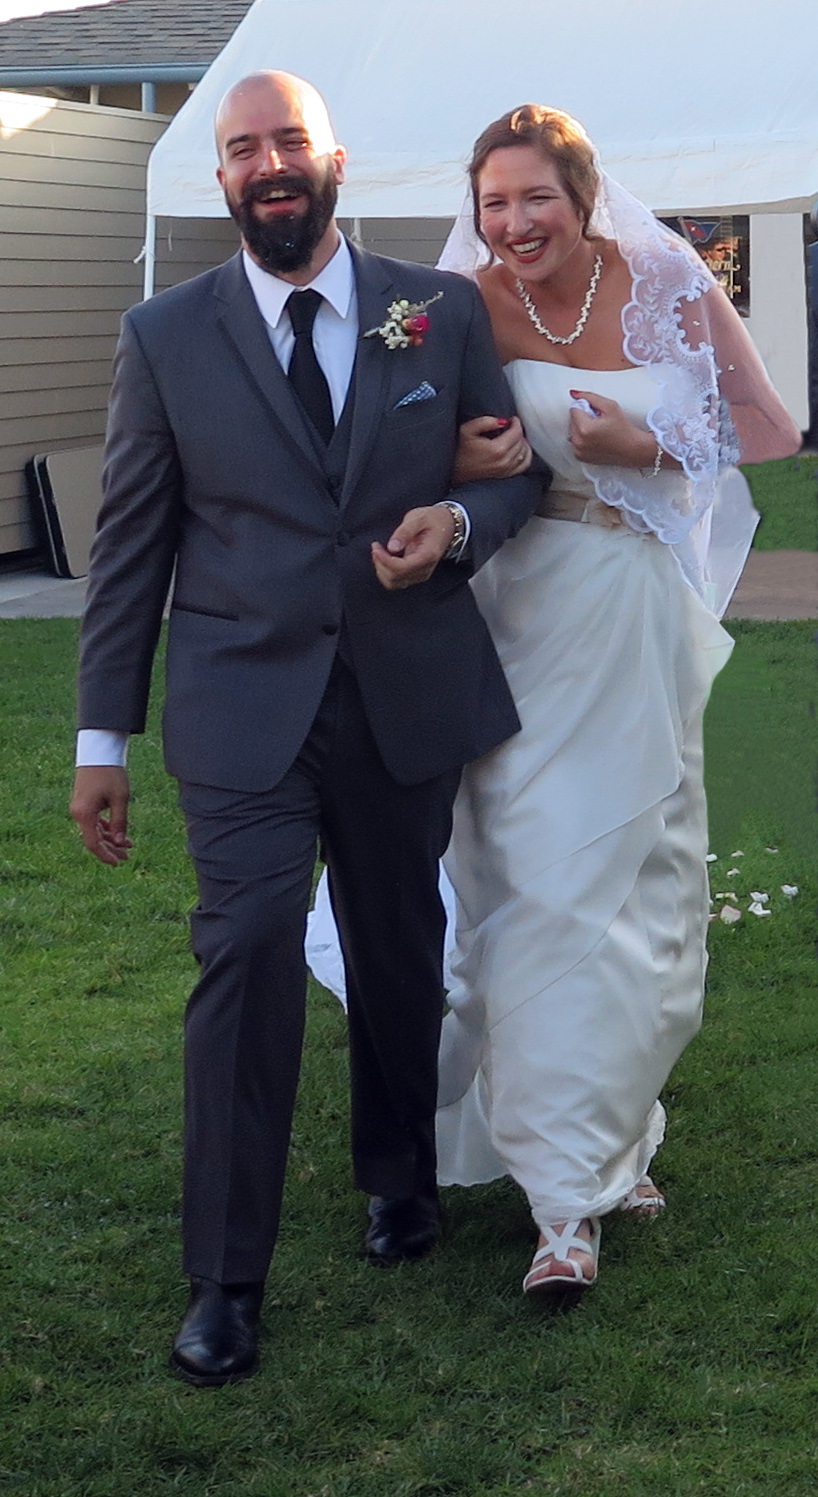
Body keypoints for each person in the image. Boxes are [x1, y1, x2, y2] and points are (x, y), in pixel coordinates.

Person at [70, 71, 542, 1386]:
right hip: (241, 709)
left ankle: (398, 1171)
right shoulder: (164, 335)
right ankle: (225, 1278)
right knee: (247, 952)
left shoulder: (436, 309)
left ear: (332, 159)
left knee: (397, 945)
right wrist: (102, 742)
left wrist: (455, 523)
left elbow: (512, 472)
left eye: (288, 140)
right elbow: (129, 550)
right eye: (242, 148)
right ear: (222, 177)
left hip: (403, 693)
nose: (267, 163)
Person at [307, 105, 801, 1295]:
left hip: (628, 615)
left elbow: (769, 427)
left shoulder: (667, 282)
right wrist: (459, 467)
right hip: (505, 620)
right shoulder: (456, 304)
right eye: (493, 202)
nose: (513, 223)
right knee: (528, 888)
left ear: (582, 199)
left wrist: (647, 445)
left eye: (535, 198)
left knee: (639, 891)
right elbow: (387, 446)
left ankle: (608, 1139)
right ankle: (563, 1202)